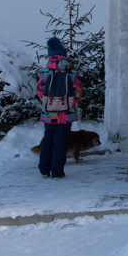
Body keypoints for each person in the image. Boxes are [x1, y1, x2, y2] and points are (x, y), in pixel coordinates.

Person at [37, 37, 82, 179]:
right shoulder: (71, 73)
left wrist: (48, 103)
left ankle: (44, 169)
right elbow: (78, 92)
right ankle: (57, 171)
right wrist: (72, 102)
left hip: (49, 112)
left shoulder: (45, 73)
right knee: (61, 140)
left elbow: (40, 91)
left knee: (48, 138)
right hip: (66, 112)